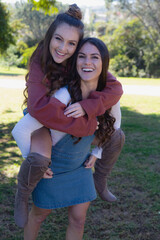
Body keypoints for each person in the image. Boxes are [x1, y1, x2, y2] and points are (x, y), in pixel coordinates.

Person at [12, 3, 124, 229]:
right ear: (49, 36)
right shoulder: (39, 62)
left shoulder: (81, 58)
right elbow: (38, 112)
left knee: (117, 136)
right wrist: (82, 125)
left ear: (78, 45)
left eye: (72, 43)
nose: (63, 48)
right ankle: (22, 195)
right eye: (58, 39)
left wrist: (88, 107)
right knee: (39, 159)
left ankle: (100, 179)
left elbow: (115, 89)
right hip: (43, 117)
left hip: (72, 112)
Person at [23, 37, 119, 240]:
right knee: (39, 216)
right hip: (53, 166)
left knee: (79, 219)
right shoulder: (64, 95)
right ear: (74, 62)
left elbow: (115, 125)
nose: (87, 62)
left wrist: (97, 151)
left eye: (95, 57)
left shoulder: (108, 97)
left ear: (104, 63)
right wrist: (34, 162)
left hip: (80, 166)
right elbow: (23, 128)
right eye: (82, 56)